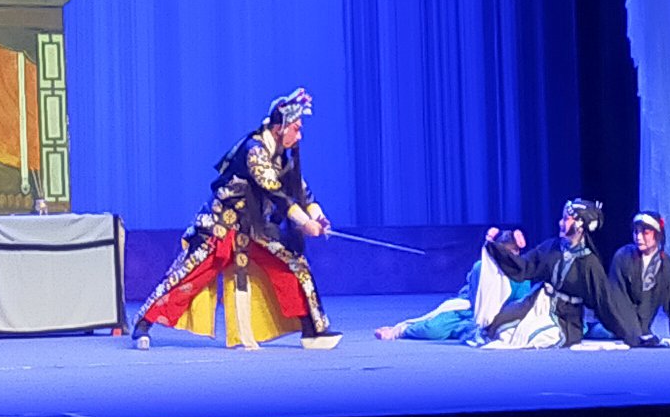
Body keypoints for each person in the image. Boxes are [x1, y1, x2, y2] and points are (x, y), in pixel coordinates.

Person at [131, 87, 338, 350]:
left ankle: (312, 328)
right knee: (192, 272)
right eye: (296, 129)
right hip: (222, 222)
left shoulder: (280, 156)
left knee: (291, 264)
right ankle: (144, 322)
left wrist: (318, 217)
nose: (300, 135)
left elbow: (301, 191)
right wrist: (303, 222)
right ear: (279, 128)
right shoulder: (255, 150)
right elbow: (273, 191)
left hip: (254, 226)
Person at [473, 198, 652, 349]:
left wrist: (632, 336)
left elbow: (604, 303)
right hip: (537, 304)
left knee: (534, 336)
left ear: (580, 225)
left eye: (566, 219)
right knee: (497, 327)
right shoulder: (551, 247)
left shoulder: (588, 263)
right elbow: (524, 266)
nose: (560, 223)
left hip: (566, 319)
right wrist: (495, 248)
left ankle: (595, 330)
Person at [374, 229, 536, 341]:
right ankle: (401, 330)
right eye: (506, 252)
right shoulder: (482, 268)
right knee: (434, 330)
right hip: (469, 309)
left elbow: (520, 303)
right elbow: (478, 301)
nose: (510, 256)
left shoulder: (521, 273)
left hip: (501, 315)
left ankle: (464, 330)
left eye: (514, 252)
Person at [610, 210, 670, 344]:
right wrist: (633, 331)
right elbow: (618, 297)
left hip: (642, 325)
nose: (639, 237)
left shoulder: (667, 266)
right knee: (604, 331)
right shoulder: (623, 257)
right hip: (618, 319)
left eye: (645, 233)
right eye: (636, 232)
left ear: (657, 235)